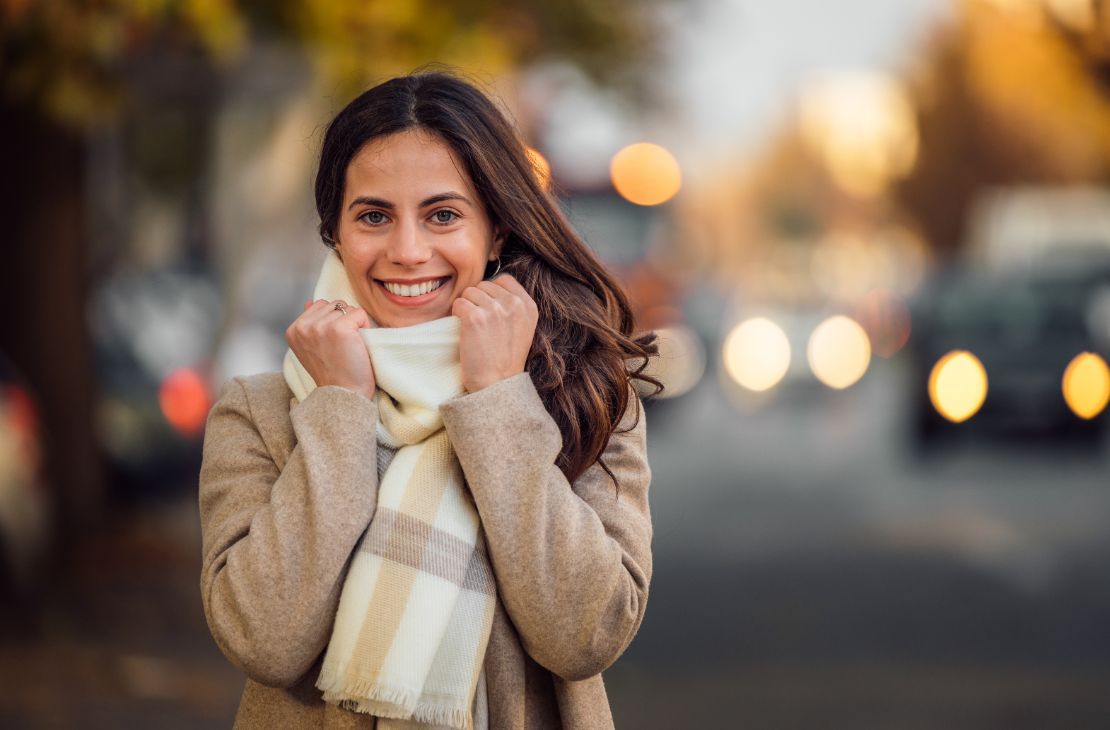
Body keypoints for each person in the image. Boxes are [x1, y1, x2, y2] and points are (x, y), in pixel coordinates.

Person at [198, 70, 660, 730]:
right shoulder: (261, 413)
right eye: (374, 216)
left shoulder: (584, 396)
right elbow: (263, 641)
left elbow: (583, 634)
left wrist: (500, 400)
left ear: (496, 231)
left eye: (443, 215)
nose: (408, 252)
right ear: (335, 233)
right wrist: (338, 412)